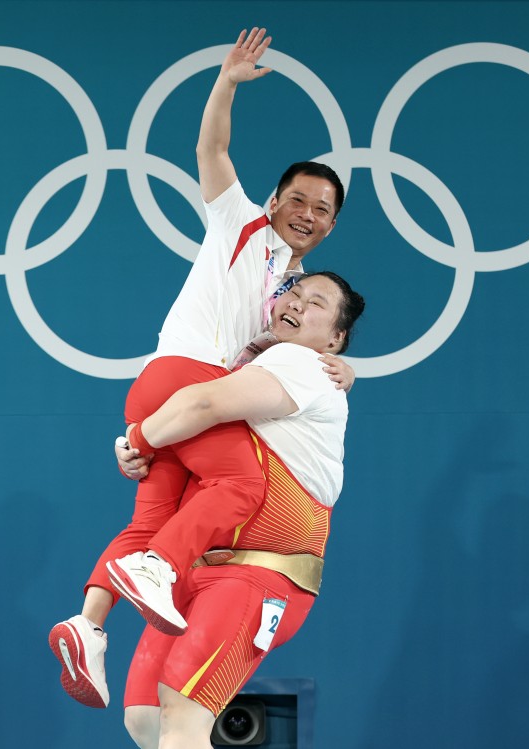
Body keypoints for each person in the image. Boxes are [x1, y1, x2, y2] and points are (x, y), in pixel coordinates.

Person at [48, 27, 350, 709]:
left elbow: (292, 361)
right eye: (298, 199)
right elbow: (210, 149)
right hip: (187, 378)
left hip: (174, 395)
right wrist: (226, 83)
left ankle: (87, 625)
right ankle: (156, 570)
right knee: (243, 484)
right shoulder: (240, 223)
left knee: (153, 516)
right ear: (273, 201)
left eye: (322, 210)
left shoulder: (296, 294)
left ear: (330, 227)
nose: (307, 214)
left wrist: (344, 368)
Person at [120, 271, 365, 749]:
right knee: (145, 719)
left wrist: (136, 437)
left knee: (183, 712)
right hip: (195, 572)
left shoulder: (302, 363)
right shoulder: (253, 361)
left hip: (259, 575)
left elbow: (203, 402)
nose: (296, 303)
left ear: (335, 339)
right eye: (292, 292)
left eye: (315, 303)